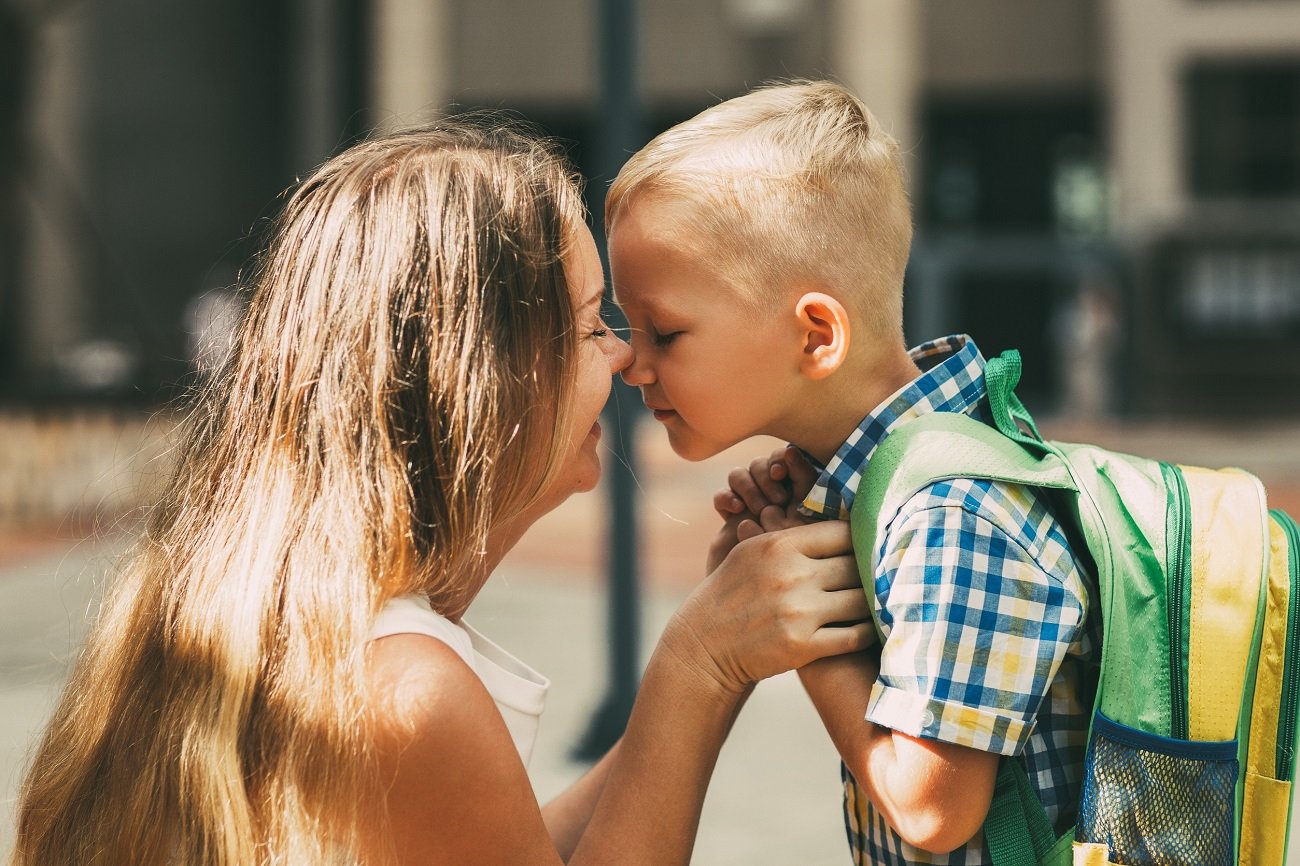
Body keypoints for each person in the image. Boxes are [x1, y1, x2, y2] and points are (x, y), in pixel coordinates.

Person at [10, 119, 875, 866]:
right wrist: (702, 664)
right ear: (480, 380)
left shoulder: (294, 623)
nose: (621, 358)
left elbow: (508, 845)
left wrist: (711, 652)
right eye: (585, 325)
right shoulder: (404, 688)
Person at [606, 81, 1100, 863]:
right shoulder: (887, 484)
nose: (632, 363)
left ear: (815, 338)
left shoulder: (952, 511)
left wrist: (805, 631)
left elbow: (932, 806)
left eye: (664, 331)